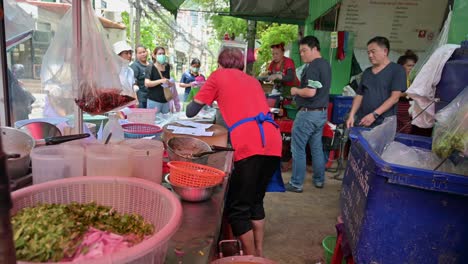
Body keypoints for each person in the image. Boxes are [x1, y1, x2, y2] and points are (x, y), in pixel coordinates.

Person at [185, 48, 282, 257]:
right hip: (273, 140)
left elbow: (190, 111)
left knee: (237, 208)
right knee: (256, 200)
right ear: (241, 65)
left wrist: (203, 94)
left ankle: (250, 258)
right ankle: (259, 252)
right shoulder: (253, 80)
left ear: (220, 64)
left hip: (249, 143)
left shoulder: (218, 75)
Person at [284, 36, 331, 192]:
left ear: (315, 49)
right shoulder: (325, 65)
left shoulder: (313, 67)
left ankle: (296, 183)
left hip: (308, 114)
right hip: (321, 114)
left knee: (298, 148)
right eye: (300, 52)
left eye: (304, 51)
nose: (302, 55)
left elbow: (310, 92)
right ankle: (319, 180)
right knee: (316, 147)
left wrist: (295, 90)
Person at [346, 36, 406, 129]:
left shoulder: (397, 70)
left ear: (385, 51)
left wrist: (374, 115)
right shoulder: (367, 72)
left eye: (373, 52)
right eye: (368, 52)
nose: (370, 55)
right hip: (363, 120)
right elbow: (359, 95)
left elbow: (394, 98)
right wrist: (351, 115)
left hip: (383, 123)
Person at [144, 47, 172, 114]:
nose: (162, 55)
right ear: (154, 55)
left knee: (166, 122)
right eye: (159, 54)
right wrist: (160, 81)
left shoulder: (167, 66)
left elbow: (167, 80)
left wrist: (169, 83)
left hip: (165, 99)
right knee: (154, 122)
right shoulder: (150, 67)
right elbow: (147, 83)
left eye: (163, 54)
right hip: (154, 100)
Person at [396, 50, 418, 134]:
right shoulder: (397, 78)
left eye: (413, 66)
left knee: (407, 129)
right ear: (401, 66)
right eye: (409, 66)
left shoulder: (413, 79)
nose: (412, 68)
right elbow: (393, 94)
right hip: (399, 107)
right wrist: (407, 93)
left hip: (409, 109)